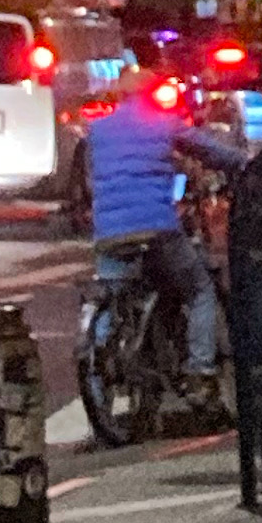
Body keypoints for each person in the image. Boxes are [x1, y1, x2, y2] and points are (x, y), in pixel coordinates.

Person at [84, 74, 248, 397]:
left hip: (108, 233)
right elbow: (213, 153)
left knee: (111, 292)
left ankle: (97, 374)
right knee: (199, 289)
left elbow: (100, 176)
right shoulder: (163, 124)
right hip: (155, 228)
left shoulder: (98, 130)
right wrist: (246, 163)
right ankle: (200, 370)